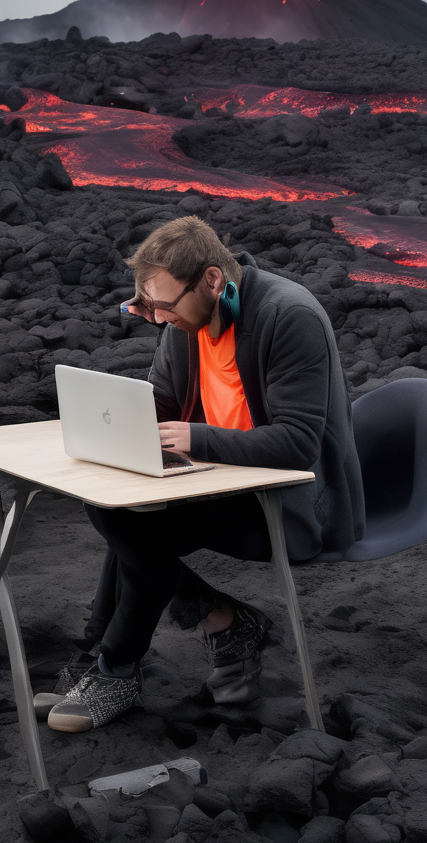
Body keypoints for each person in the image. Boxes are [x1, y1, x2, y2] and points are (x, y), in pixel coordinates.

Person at [47, 215, 364, 733]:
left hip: (291, 503)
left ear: (213, 280)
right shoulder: (185, 324)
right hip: (220, 482)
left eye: (166, 307)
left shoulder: (289, 316)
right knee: (115, 500)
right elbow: (165, 401)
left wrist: (193, 438)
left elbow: (298, 444)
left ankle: (115, 668)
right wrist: (118, 421)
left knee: (134, 524)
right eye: (149, 308)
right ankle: (186, 632)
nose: (159, 319)